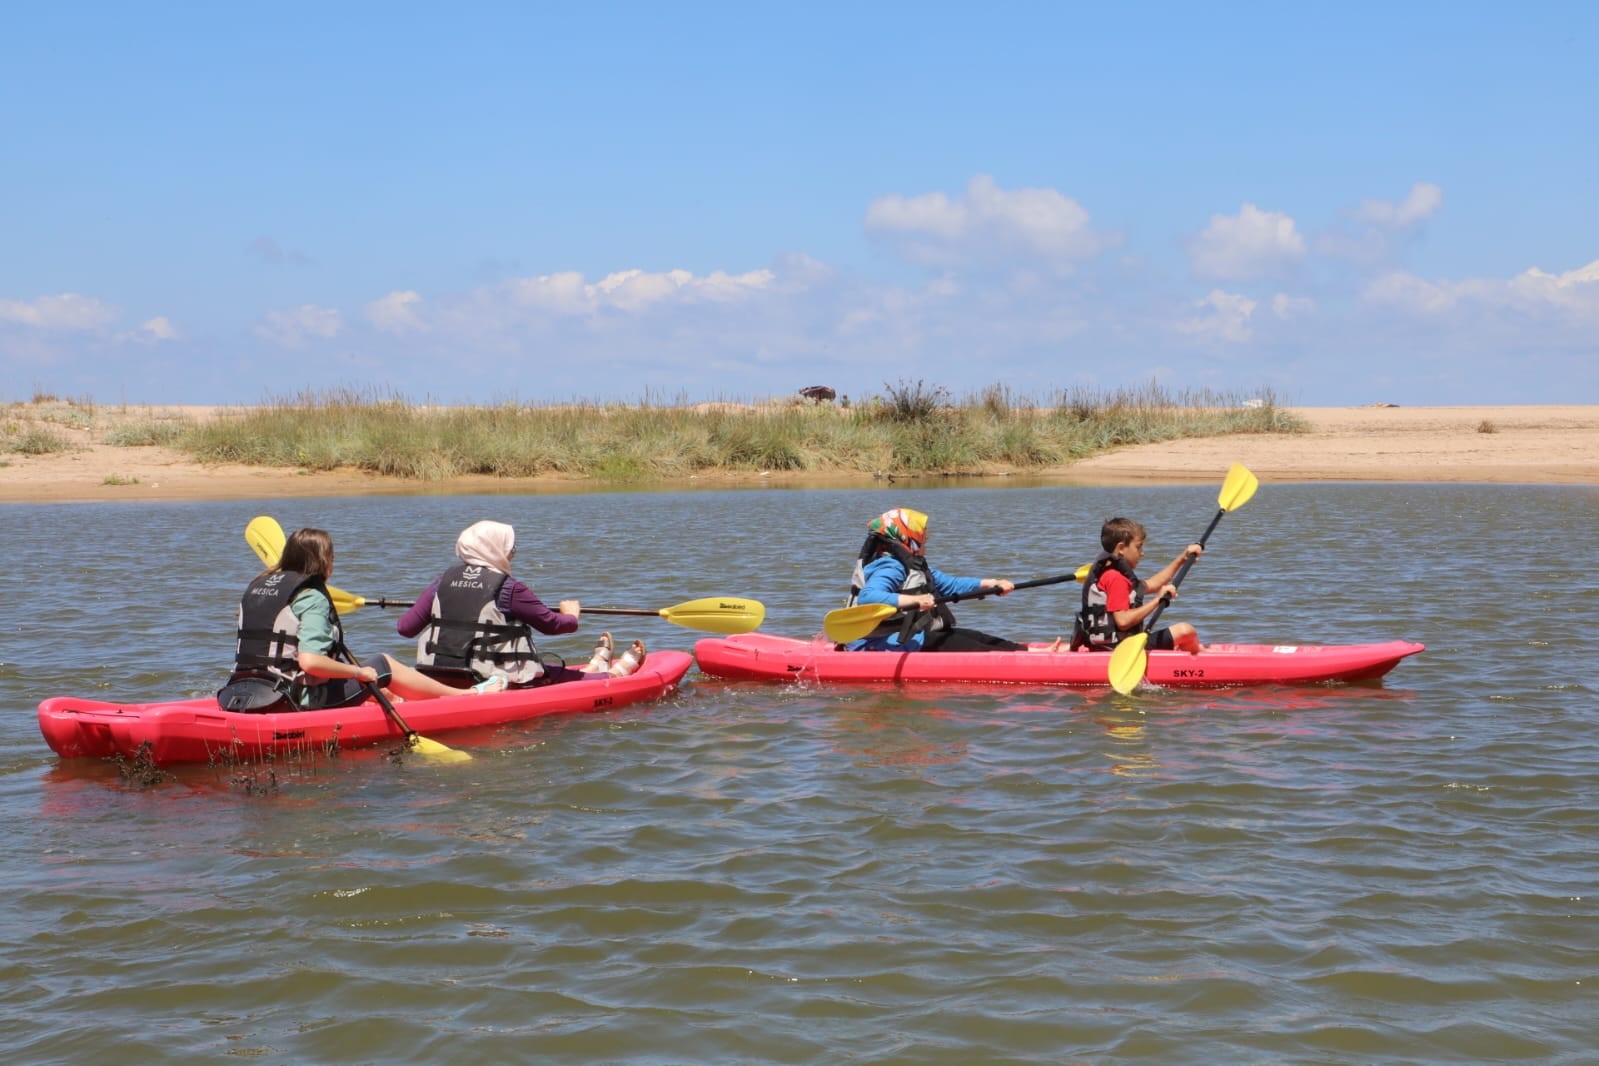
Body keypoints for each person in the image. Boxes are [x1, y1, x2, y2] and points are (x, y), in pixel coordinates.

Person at [218, 527, 490, 713]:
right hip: (290, 699)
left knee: (363, 678)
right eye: (332, 559)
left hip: (238, 692)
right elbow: (310, 662)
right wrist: (358, 673)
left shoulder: (257, 587)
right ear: (324, 561)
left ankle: (396, 699)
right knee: (382, 665)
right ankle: (463, 697)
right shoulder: (312, 598)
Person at [396, 519, 646, 688]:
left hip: (437, 677)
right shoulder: (509, 588)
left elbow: (405, 628)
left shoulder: (440, 583)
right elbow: (553, 626)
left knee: (550, 669)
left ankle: (596, 663)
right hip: (491, 680)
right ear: (495, 549)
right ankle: (613, 673)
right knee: (558, 676)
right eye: (510, 546)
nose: (513, 552)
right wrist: (572, 616)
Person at [843, 506, 1029, 652]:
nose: (927, 536)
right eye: (922, 532)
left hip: (907, 635)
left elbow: (950, 585)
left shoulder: (912, 565)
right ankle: (1024, 661)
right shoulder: (890, 567)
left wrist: (990, 584)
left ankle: (1022, 652)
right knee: (973, 647)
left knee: (979, 638)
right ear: (906, 536)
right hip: (879, 642)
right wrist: (915, 600)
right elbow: (868, 596)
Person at [1072, 517, 1203, 653]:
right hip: (1121, 650)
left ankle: (1195, 653)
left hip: (1107, 646)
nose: (1142, 553)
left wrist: (1182, 559)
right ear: (1121, 548)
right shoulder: (1116, 579)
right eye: (1138, 546)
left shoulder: (1109, 573)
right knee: (1185, 631)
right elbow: (1122, 621)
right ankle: (1200, 660)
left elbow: (1154, 584)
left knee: (1184, 632)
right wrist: (1157, 601)